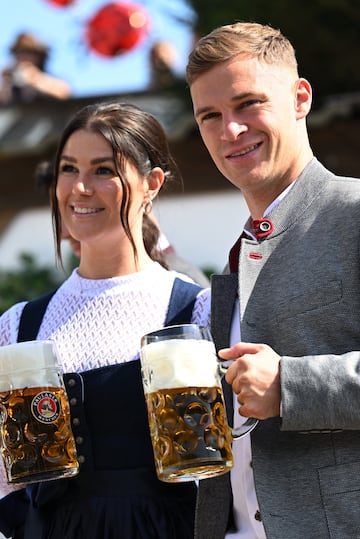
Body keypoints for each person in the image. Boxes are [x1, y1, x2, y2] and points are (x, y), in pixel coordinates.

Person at [0, 101, 211, 538]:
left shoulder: (197, 310)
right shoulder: (19, 325)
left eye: (103, 170)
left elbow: (230, 471)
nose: (79, 187)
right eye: (68, 169)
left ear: (151, 183)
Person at [186, 21, 360, 539]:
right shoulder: (240, 252)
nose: (229, 131)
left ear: (300, 97)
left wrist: (290, 385)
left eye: (247, 104)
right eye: (210, 116)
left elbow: (277, 386)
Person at [35, 159, 209, 285]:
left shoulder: (183, 288)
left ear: (148, 188)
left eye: (84, 210)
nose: (63, 234)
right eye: (70, 210)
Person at [0, 32, 71, 104]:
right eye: (18, 53)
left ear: (40, 56)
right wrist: (6, 85)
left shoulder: (49, 80)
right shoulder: (12, 83)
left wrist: (36, 80)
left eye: (28, 53)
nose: (22, 58)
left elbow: (64, 93)